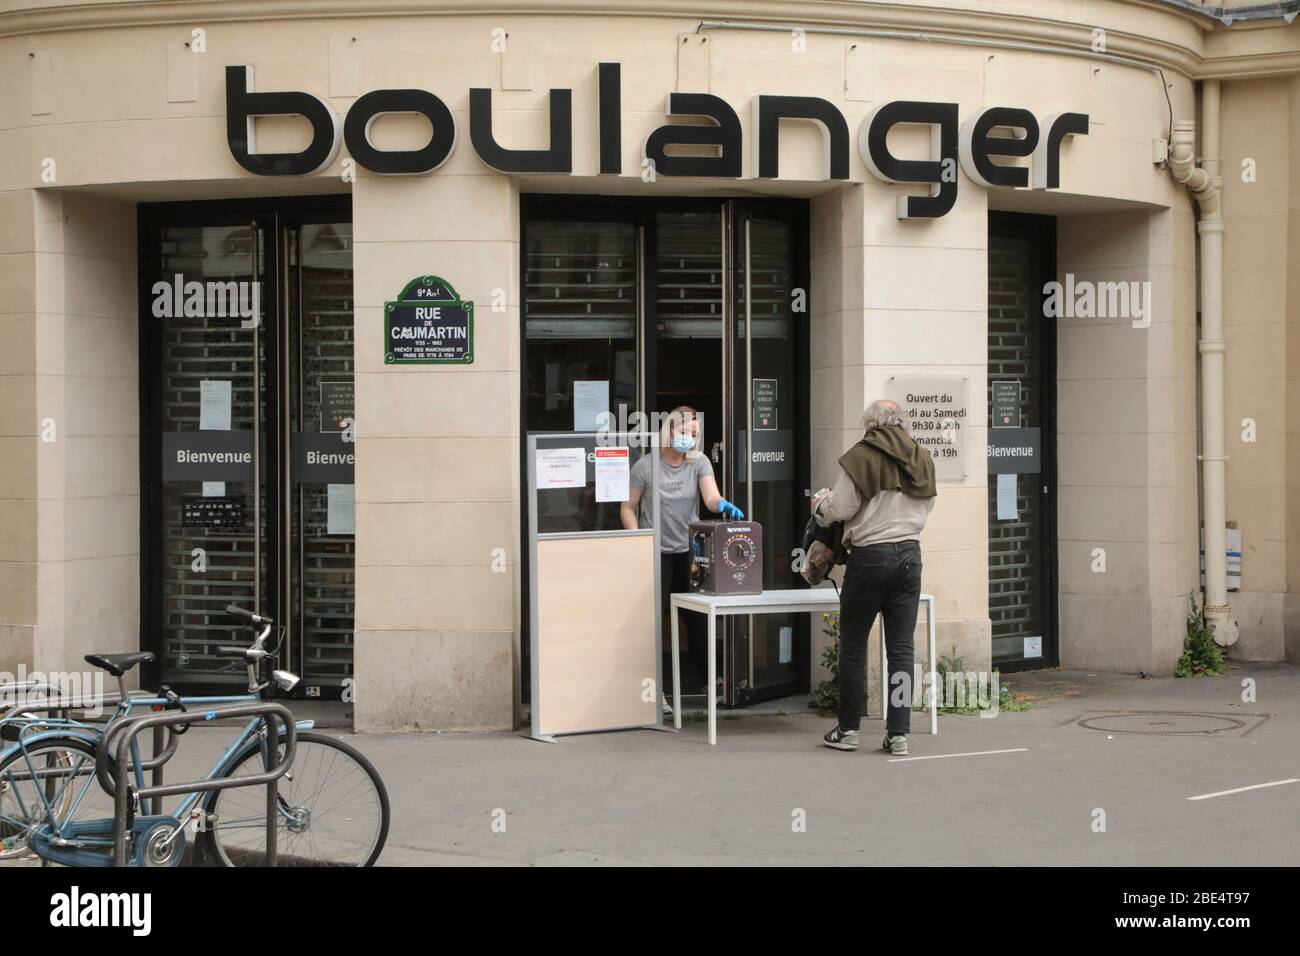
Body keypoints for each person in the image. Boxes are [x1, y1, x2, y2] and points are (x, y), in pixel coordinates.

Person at [811, 399, 936, 755]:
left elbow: (841, 509)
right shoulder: (920, 455)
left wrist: (820, 506)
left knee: (852, 646)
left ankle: (848, 729)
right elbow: (928, 504)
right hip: (910, 555)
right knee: (901, 649)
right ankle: (899, 734)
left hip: (870, 558)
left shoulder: (860, 456)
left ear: (870, 426)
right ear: (903, 423)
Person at [621, 406, 744, 712]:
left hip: (689, 551)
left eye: (694, 434)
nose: (689, 438)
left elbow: (710, 499)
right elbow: (627, 506)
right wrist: (638, 540)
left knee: (698, 617)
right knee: (651, 621)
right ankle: (656, 690)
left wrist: (724, 504)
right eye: (684, 432)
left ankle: (710, 682)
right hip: (656, 551)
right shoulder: (646, 466)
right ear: (669, 431)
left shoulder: (698, 462)